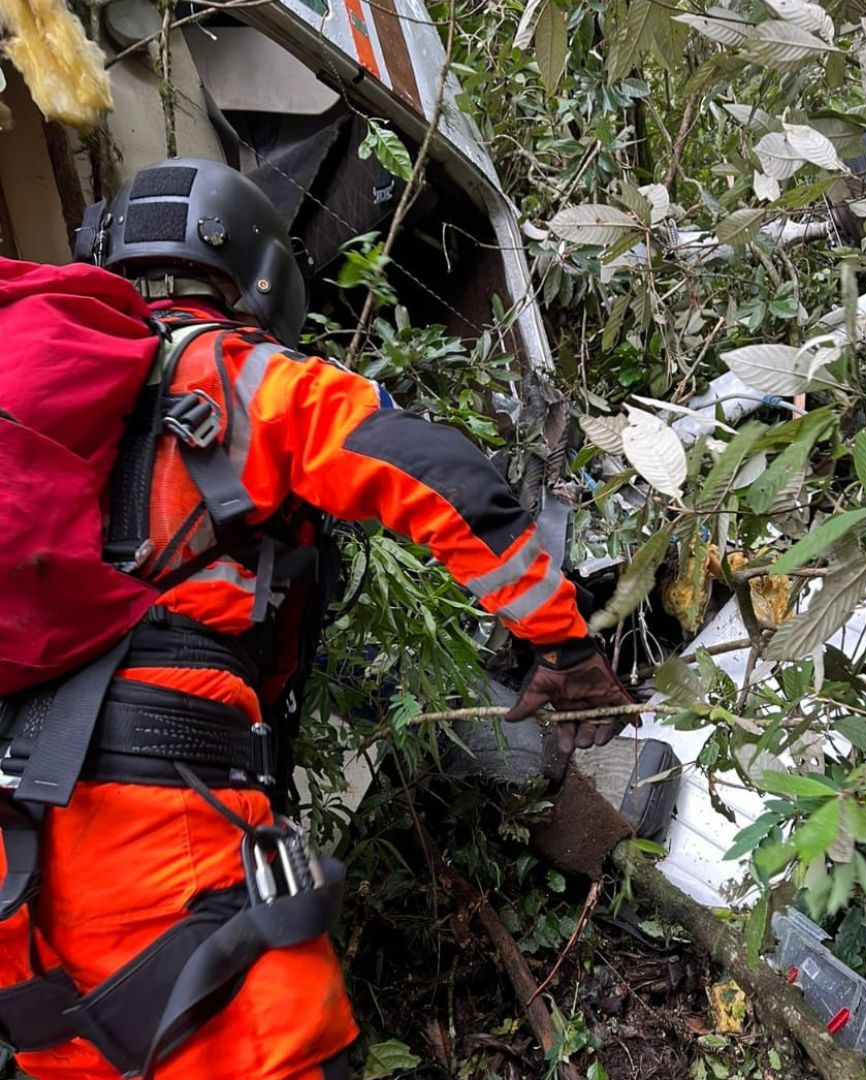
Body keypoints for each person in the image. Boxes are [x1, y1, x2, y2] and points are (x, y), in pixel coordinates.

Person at [0, 158, 631, 1078]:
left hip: (22, 855)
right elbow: (439, 476)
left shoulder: (44, 386)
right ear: (256, 271)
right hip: (161, 822)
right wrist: (564, 645)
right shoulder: (240, 375)